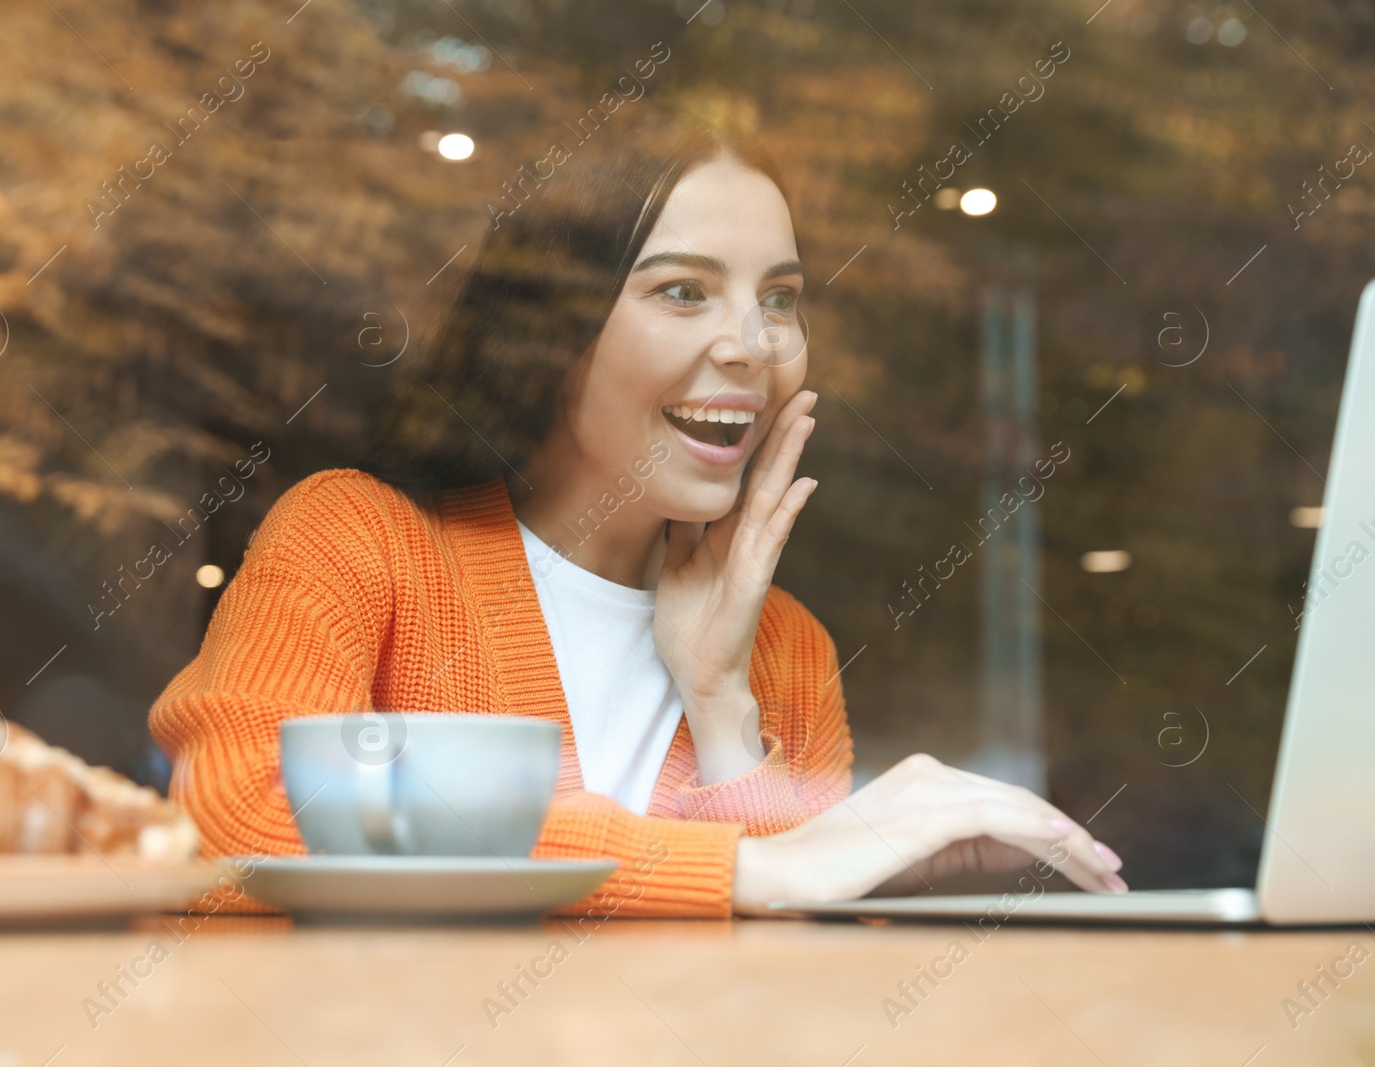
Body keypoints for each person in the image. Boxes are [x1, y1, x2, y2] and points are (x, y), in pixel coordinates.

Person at [147, 107, 1128, 917]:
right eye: (682, 289)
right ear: (551, 332)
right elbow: (235, 823)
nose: (753, 344)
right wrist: (747, 869)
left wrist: (721, 708)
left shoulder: (783, 650)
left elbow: (783, 976)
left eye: (778, 298)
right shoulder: (357, 538)